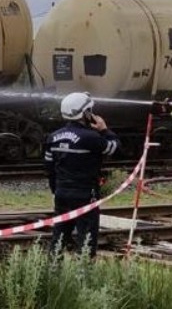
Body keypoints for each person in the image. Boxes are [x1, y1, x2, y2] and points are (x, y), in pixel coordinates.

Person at [44, 92, 120, 258]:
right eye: (90, 111)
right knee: (86, 239)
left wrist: (55, 190)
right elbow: (114, 148)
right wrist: (105, 130)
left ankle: (52, 267)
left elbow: (49, 169)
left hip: (61, 194)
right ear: (85, 113)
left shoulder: (53, 137)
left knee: (59, 236)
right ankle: (84, 269)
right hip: (85, 195)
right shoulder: (91, 137)